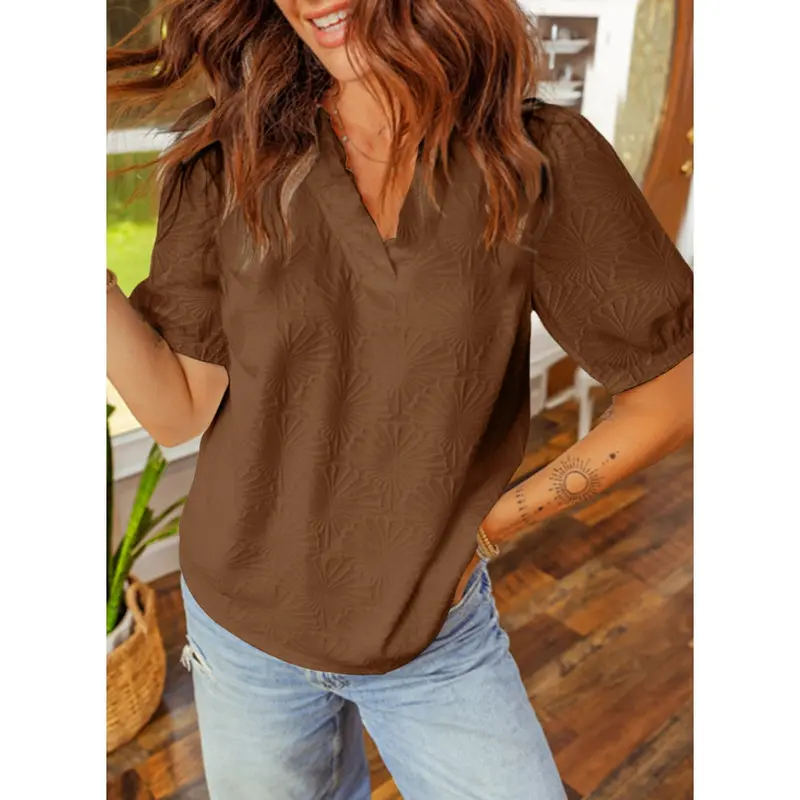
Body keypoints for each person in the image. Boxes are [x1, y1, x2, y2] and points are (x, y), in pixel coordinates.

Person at [106, 0, 693, 797]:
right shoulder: (233, 151)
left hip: (430, 636)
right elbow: (179, 411)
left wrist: (490, 529)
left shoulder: (533, 159)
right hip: (241, 628)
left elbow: (672, 394)